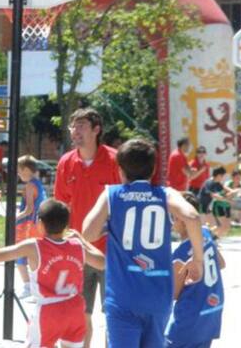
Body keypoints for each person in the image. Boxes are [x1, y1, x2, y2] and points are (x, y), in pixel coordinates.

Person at [82, 138, 204, 348]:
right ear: (153, 168)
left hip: (123, 296)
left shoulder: (112, 194)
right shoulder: (166, 194)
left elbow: (88, 232)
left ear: (120, 170)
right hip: (158, 296)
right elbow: (192, 217)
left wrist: (109, 226)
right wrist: (198, 260)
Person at [0, 199, 105, 348]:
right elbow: (102, 262)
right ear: (67, 225)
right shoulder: (77, 246)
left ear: (40, 224)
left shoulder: (34, 246)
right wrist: (83, 241)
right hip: (74, 307)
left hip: (48, 310)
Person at [53, 107, 121, 348]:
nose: (75, 131)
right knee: (80, 316)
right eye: (73, 126)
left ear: (96, 130)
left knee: (113, 316)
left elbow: (124, 203)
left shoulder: (115, 160)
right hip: (77, 250)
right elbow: (60, 206)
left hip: (111, 251)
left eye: (81, 126)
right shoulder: (66, 162)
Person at [165, 192, 226, 348]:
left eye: (172, 216)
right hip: (212, 308)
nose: (169, 221)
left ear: (182, 219)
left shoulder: (180, 254)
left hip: (192, 314)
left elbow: (174, 294)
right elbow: (221, 263)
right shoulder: (205, 233)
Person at [15, 154, 47, 299]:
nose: (18, 173)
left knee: (20, 257)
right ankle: (37, 288)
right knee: (35, 258)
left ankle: (28, 286)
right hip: (38, 225)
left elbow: (28, 209)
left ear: (27, 170)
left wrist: (15, 217)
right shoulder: (38, 184)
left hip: (28, 226)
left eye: (19, 170)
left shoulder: (29, 186)